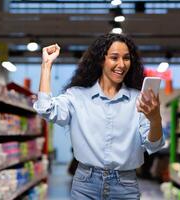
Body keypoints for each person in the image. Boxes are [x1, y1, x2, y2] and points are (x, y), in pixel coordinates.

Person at [33, 33, 165, 199]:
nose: (121, 64)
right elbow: (46, 109)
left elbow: (154, 145)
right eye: (114, 57)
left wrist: (155, 119)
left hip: (125, 186)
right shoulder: (77, 96)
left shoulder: (138, 100)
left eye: (126, 58)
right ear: (101, 60)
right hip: (85, 185)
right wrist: (46, 65)